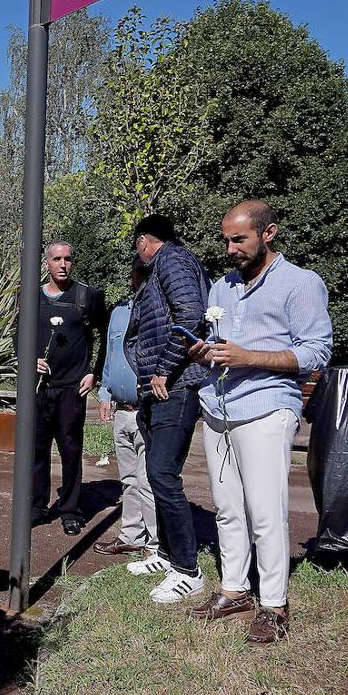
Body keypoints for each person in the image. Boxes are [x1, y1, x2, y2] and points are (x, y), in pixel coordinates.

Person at [186, 201, 331, 644]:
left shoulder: (301, 283)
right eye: (226, 239)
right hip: (218, 405)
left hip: (268, 406)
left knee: (265, 511)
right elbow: (218, 342)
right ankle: (234, 590)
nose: (230, 248)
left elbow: (316, 352)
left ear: (269, 233)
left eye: (240, 239)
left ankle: (273, 604)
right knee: (228, 507)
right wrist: (203, 350)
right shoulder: (220, 288)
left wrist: (250, 357)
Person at [123, 215, 211, 604]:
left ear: (145, 241)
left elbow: (190, 316)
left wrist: (162, 369)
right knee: (157, 475)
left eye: (136, 245)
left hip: (176, 385)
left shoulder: (172, 260)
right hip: (159, 389)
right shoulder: (164, 265)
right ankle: (166, 554)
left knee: (162, 473)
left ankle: (188, 571)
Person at [32, 241, 106, 536]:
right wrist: (28, 360)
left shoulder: (87, 296)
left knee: (71, 451)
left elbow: (107, 333)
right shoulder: (30, 296)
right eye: (57, 259)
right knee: (36, 451)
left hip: (71, 389)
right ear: (46, 263)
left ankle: (70, 510)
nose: (63, 264)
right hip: (37, 389)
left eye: (68, 259)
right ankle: (36, 508)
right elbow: (17, 334)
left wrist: (94, 373)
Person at [92, 257, 158, 557]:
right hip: (121, 410)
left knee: (148, 480)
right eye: (139, 272)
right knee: (129, 479)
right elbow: (111, 355)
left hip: (149, 410)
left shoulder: (160, 313)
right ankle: (131, 535)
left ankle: (157, 545)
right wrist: (105, 392)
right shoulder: (118, 313)